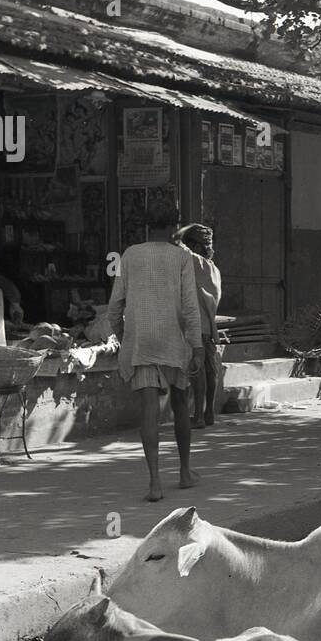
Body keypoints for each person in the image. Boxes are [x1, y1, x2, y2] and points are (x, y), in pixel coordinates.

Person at [109, 196, 206, 501]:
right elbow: (191, 307)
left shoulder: (130, 255)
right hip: (172, 339)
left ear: (148, 225)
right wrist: (197, 345)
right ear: (174, 227)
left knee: (149, 411)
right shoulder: (181, 258)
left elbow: (116, 304)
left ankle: (154, 483)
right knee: (180, 405)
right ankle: (185, 471)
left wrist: (122, 332)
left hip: (141, 339)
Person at [176, 223, 222, 427]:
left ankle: (199, 416)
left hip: (196, 324)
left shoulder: (196, 263)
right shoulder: (214, 270)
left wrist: (188, 227)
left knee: (197, 370)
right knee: (210, 369)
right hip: (209, 325)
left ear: (195, 247)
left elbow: (174, 242)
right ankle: (209, 412)